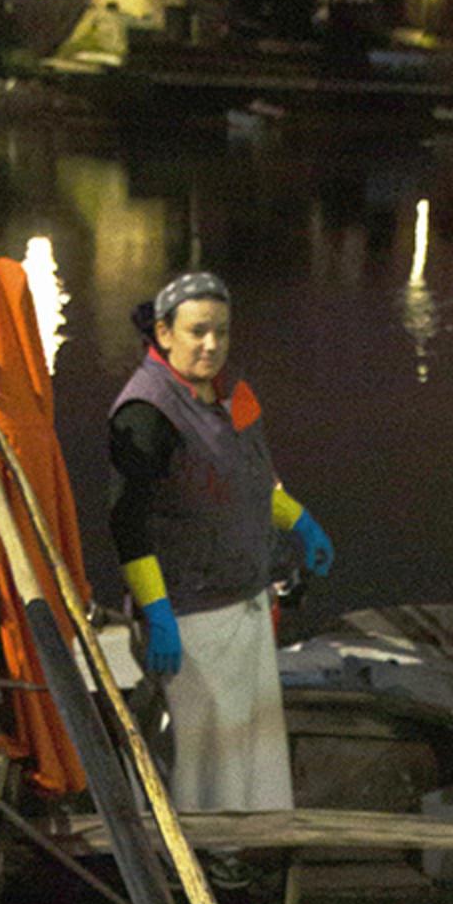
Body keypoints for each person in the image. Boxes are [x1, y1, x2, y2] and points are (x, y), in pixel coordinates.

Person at [107, 271, 334, 812]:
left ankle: (251, 842)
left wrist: (300, 522)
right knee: (203, 753)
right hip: (193, 616)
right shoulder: (146, 413)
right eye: (197, 331)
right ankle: (207, 855)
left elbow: (249, 483)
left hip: (246, 600)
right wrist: (157, 610)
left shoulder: (231, 390)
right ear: (164, 334)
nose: (212, 344)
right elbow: (126, 521)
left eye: (222, 332)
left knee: (250, 743)